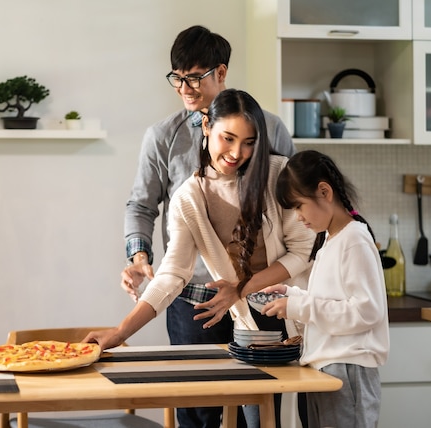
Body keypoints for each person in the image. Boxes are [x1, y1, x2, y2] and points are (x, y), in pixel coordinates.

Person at [88, 88, 314, 428]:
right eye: (228, 138)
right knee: (254, 421)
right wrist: (120, 333)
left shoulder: (277, 175)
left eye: (249, 142)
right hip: (250, 329)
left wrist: (240, 287)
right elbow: (171, 275)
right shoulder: (188, 198)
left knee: (298, 419)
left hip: (297, 319)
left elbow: (303, 252)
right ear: (206, 126)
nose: (238, 152)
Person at [120, 25, 299, 428]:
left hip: (263, 295)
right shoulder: (162, 137)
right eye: (178, 78)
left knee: (261, 408)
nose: (185, 87)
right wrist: (139, 255)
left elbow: (299, 211)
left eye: (195, 77)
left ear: (221, 72)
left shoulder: (270, 130)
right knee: (198, 408)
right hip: (191, 298)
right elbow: (141, 204)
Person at [261, 150, 390, 428]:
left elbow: (366, 310)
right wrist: (291, 295)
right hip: (329, 367)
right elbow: (330, 301)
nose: (297, 217)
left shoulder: (353, 238)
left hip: (347, 368)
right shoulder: (331, 240)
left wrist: (298, 307)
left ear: (324, 192)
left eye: (299, 206)